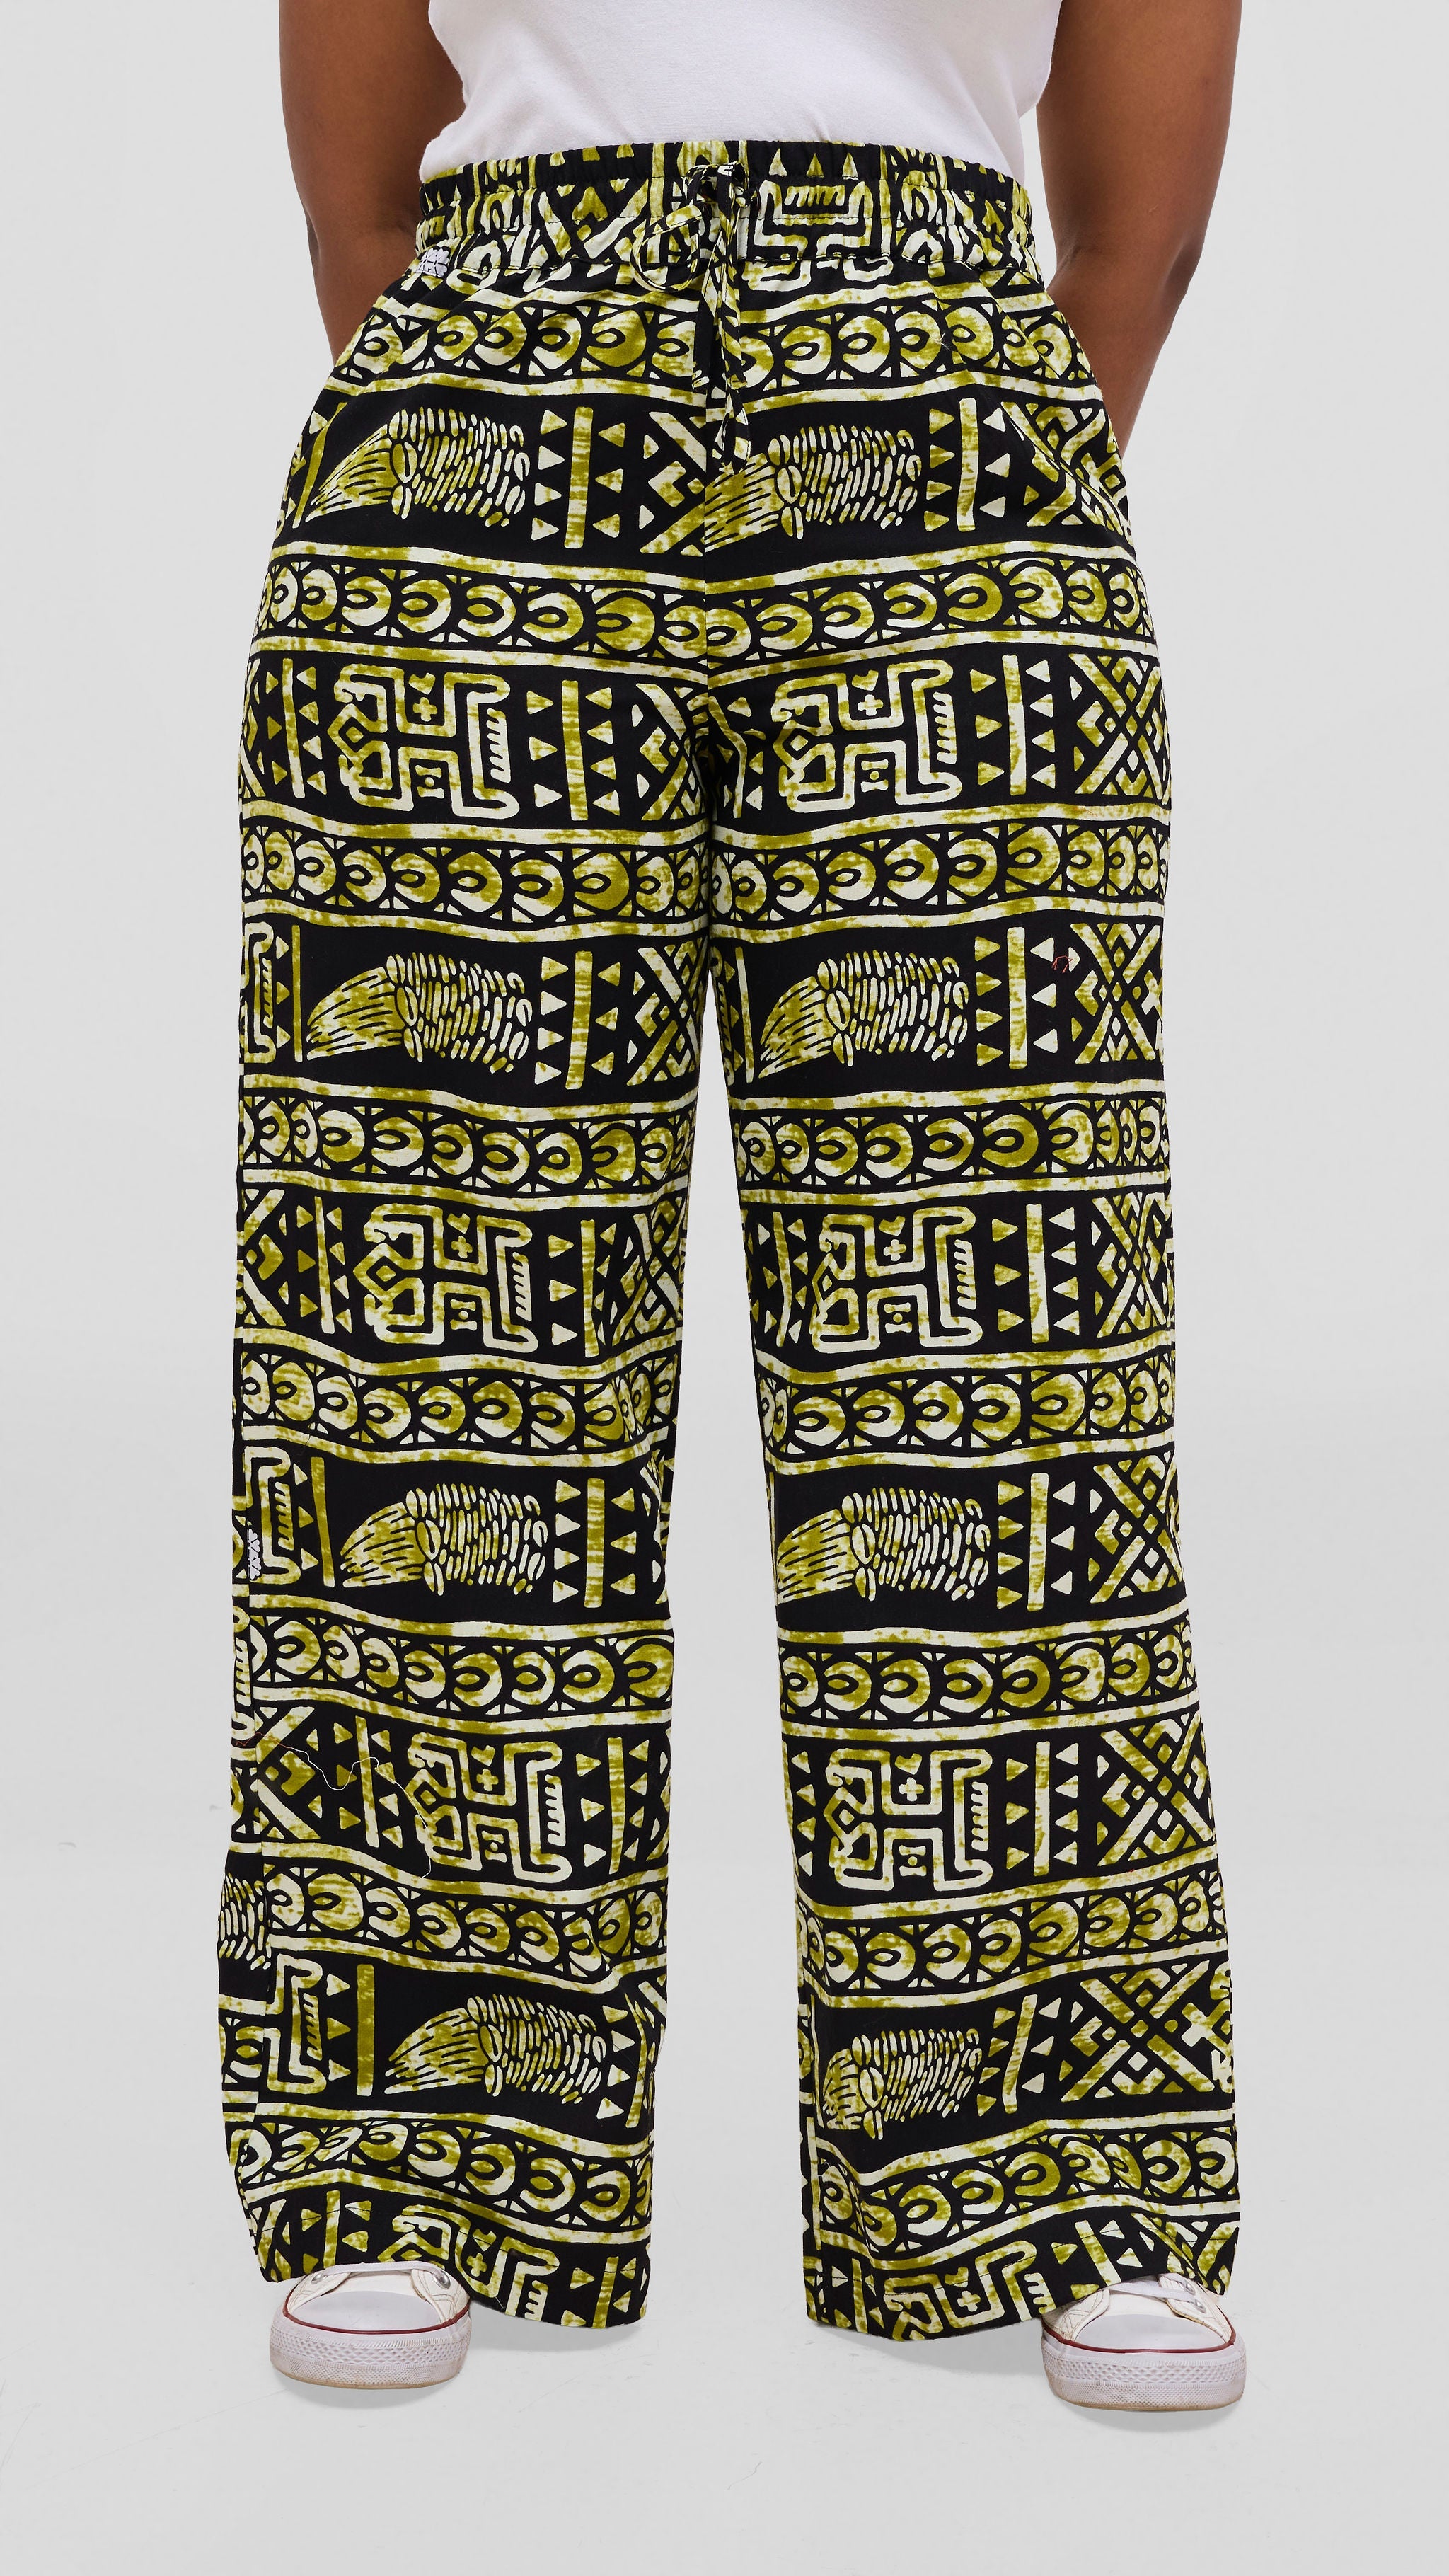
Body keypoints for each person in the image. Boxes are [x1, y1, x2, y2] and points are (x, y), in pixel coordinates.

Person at [223, 0, 1245, 2411]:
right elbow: (362, 196)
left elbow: (1138, 228)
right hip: (489, 425)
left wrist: (947, 454)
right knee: (444, 1337)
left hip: (953, 447)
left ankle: (1047, 2162)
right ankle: (423, 2145)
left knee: (995, 1348)